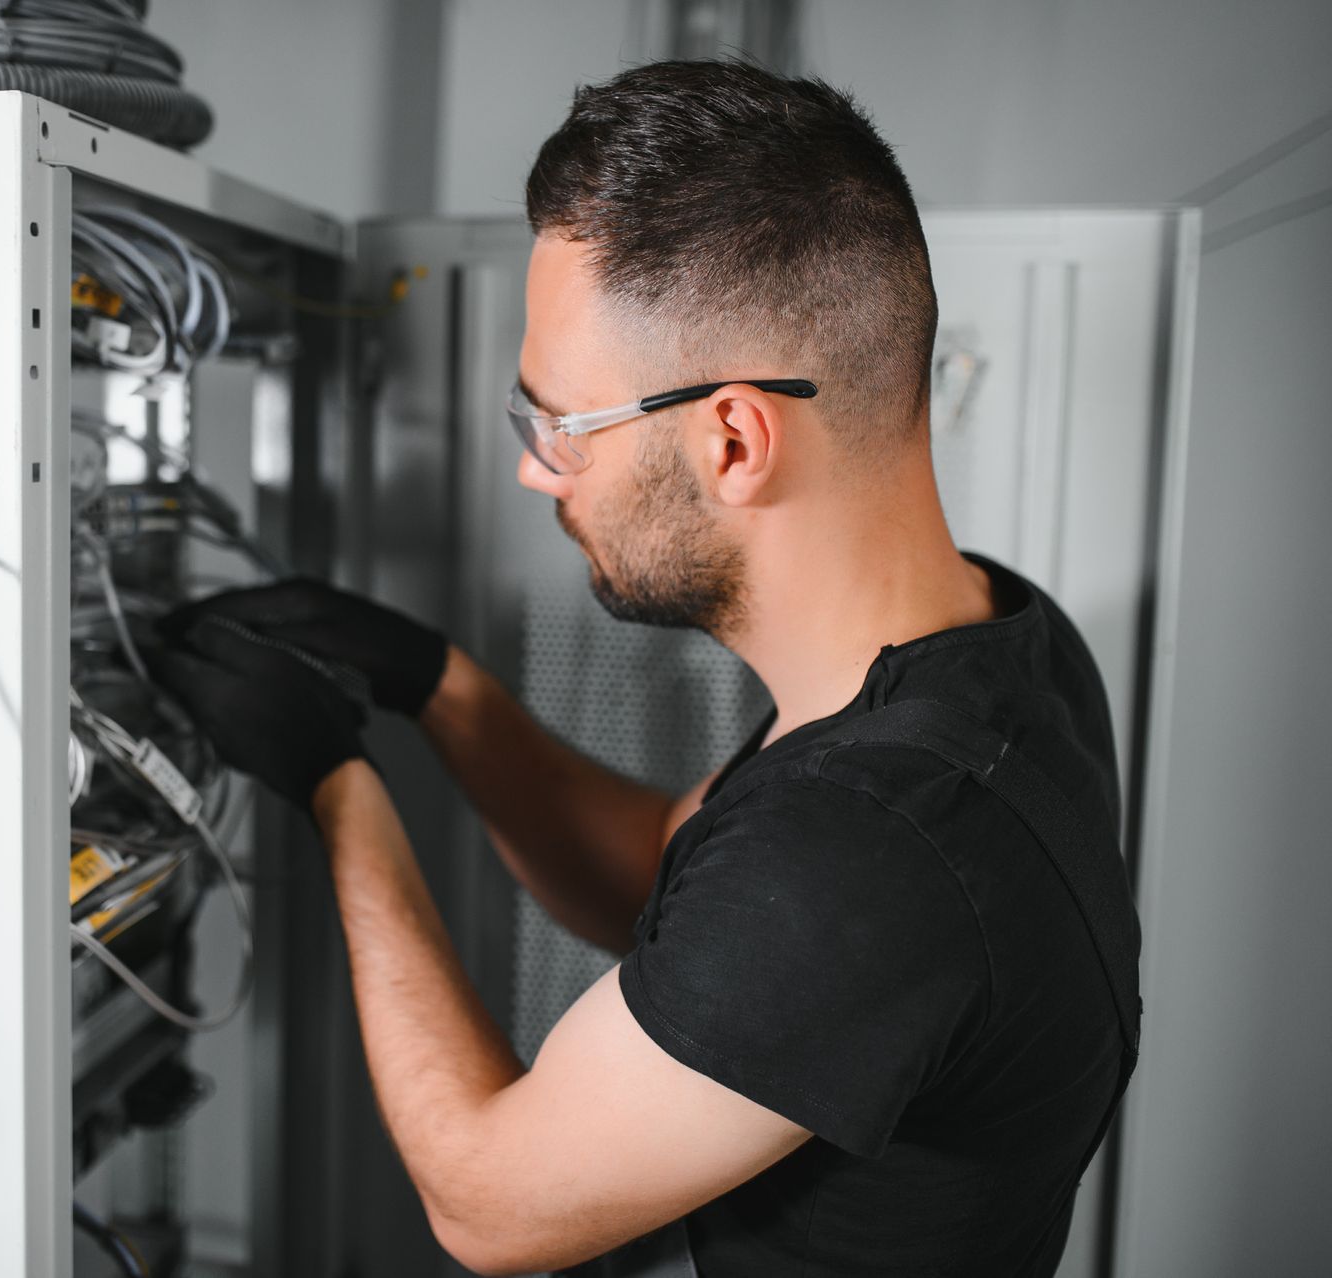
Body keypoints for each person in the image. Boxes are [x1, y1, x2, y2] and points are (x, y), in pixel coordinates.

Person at [152, 60, 1141, 1278]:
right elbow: (679, 885)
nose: (536, 470)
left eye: (558, 426)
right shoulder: (993, 652)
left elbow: (484, 1200)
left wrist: (337, 787)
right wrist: (437, 686)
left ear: (734, 436)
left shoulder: (870, 853)